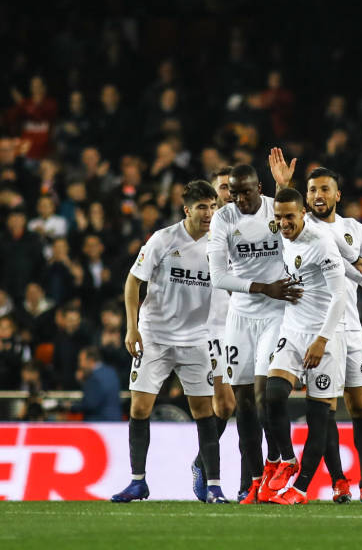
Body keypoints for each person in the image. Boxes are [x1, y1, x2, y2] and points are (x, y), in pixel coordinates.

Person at [111, 180, 228, 504]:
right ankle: (138, 482)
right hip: (155, 336)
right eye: (202, 207)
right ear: (187, 209)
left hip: (197, 339)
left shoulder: (220, 244)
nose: (209, 213)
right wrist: (131, 328)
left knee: (205, 411)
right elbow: (133, 282)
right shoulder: (163, 239)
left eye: (213, 206)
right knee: (139, 406)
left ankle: (214, 485)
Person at [202, 153, 304, 504]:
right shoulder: (223, 220)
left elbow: (303, 235)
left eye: (245, 192)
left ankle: (280, 463)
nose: (238, 199)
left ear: (259, 188)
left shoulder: (275, 211)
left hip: (277, 313)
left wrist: (286, 188)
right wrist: (263, 287)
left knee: (265, 395)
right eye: (233, 193)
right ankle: (255, 479)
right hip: (240, 317)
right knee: (243, 402)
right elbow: (218, 277)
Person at [305, 167, 362, 504]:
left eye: (325, 189)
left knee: (360, 405)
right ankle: (339, 480)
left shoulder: (353, 228)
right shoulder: (303, 228)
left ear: (338, 194)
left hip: (351, 326)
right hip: (318, 327)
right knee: (326, 407)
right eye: (312, 191)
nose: (318, 196)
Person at [263, 187, 349, 505]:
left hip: (323, 337)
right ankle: (287, 459)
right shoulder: (282, 231)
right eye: (279, 217)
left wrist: (322, 340)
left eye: (289, 216)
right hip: (292, 330)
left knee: (319, 418)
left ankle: (299, 489)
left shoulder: (320, 243)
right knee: (272, 395)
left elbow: (340, 296)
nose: (283, 223)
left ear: (303, 214)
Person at [190, 167, 236, 501]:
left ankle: (204, 463)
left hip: (242, 324)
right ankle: (204, 468)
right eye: (222, 187)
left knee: (232, 405)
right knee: (226, 401)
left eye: (232, 188)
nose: (228, 193)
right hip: (212, 328)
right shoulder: (204, 232)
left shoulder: (244, 228)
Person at [69, 346, 123, 421]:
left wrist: (71, 406)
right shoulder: (112, 372)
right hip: (115, 422)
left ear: (90, 360)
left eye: (81, 360)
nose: (80, 365)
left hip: (99, 423)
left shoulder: (93, 377)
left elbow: (90, 404)